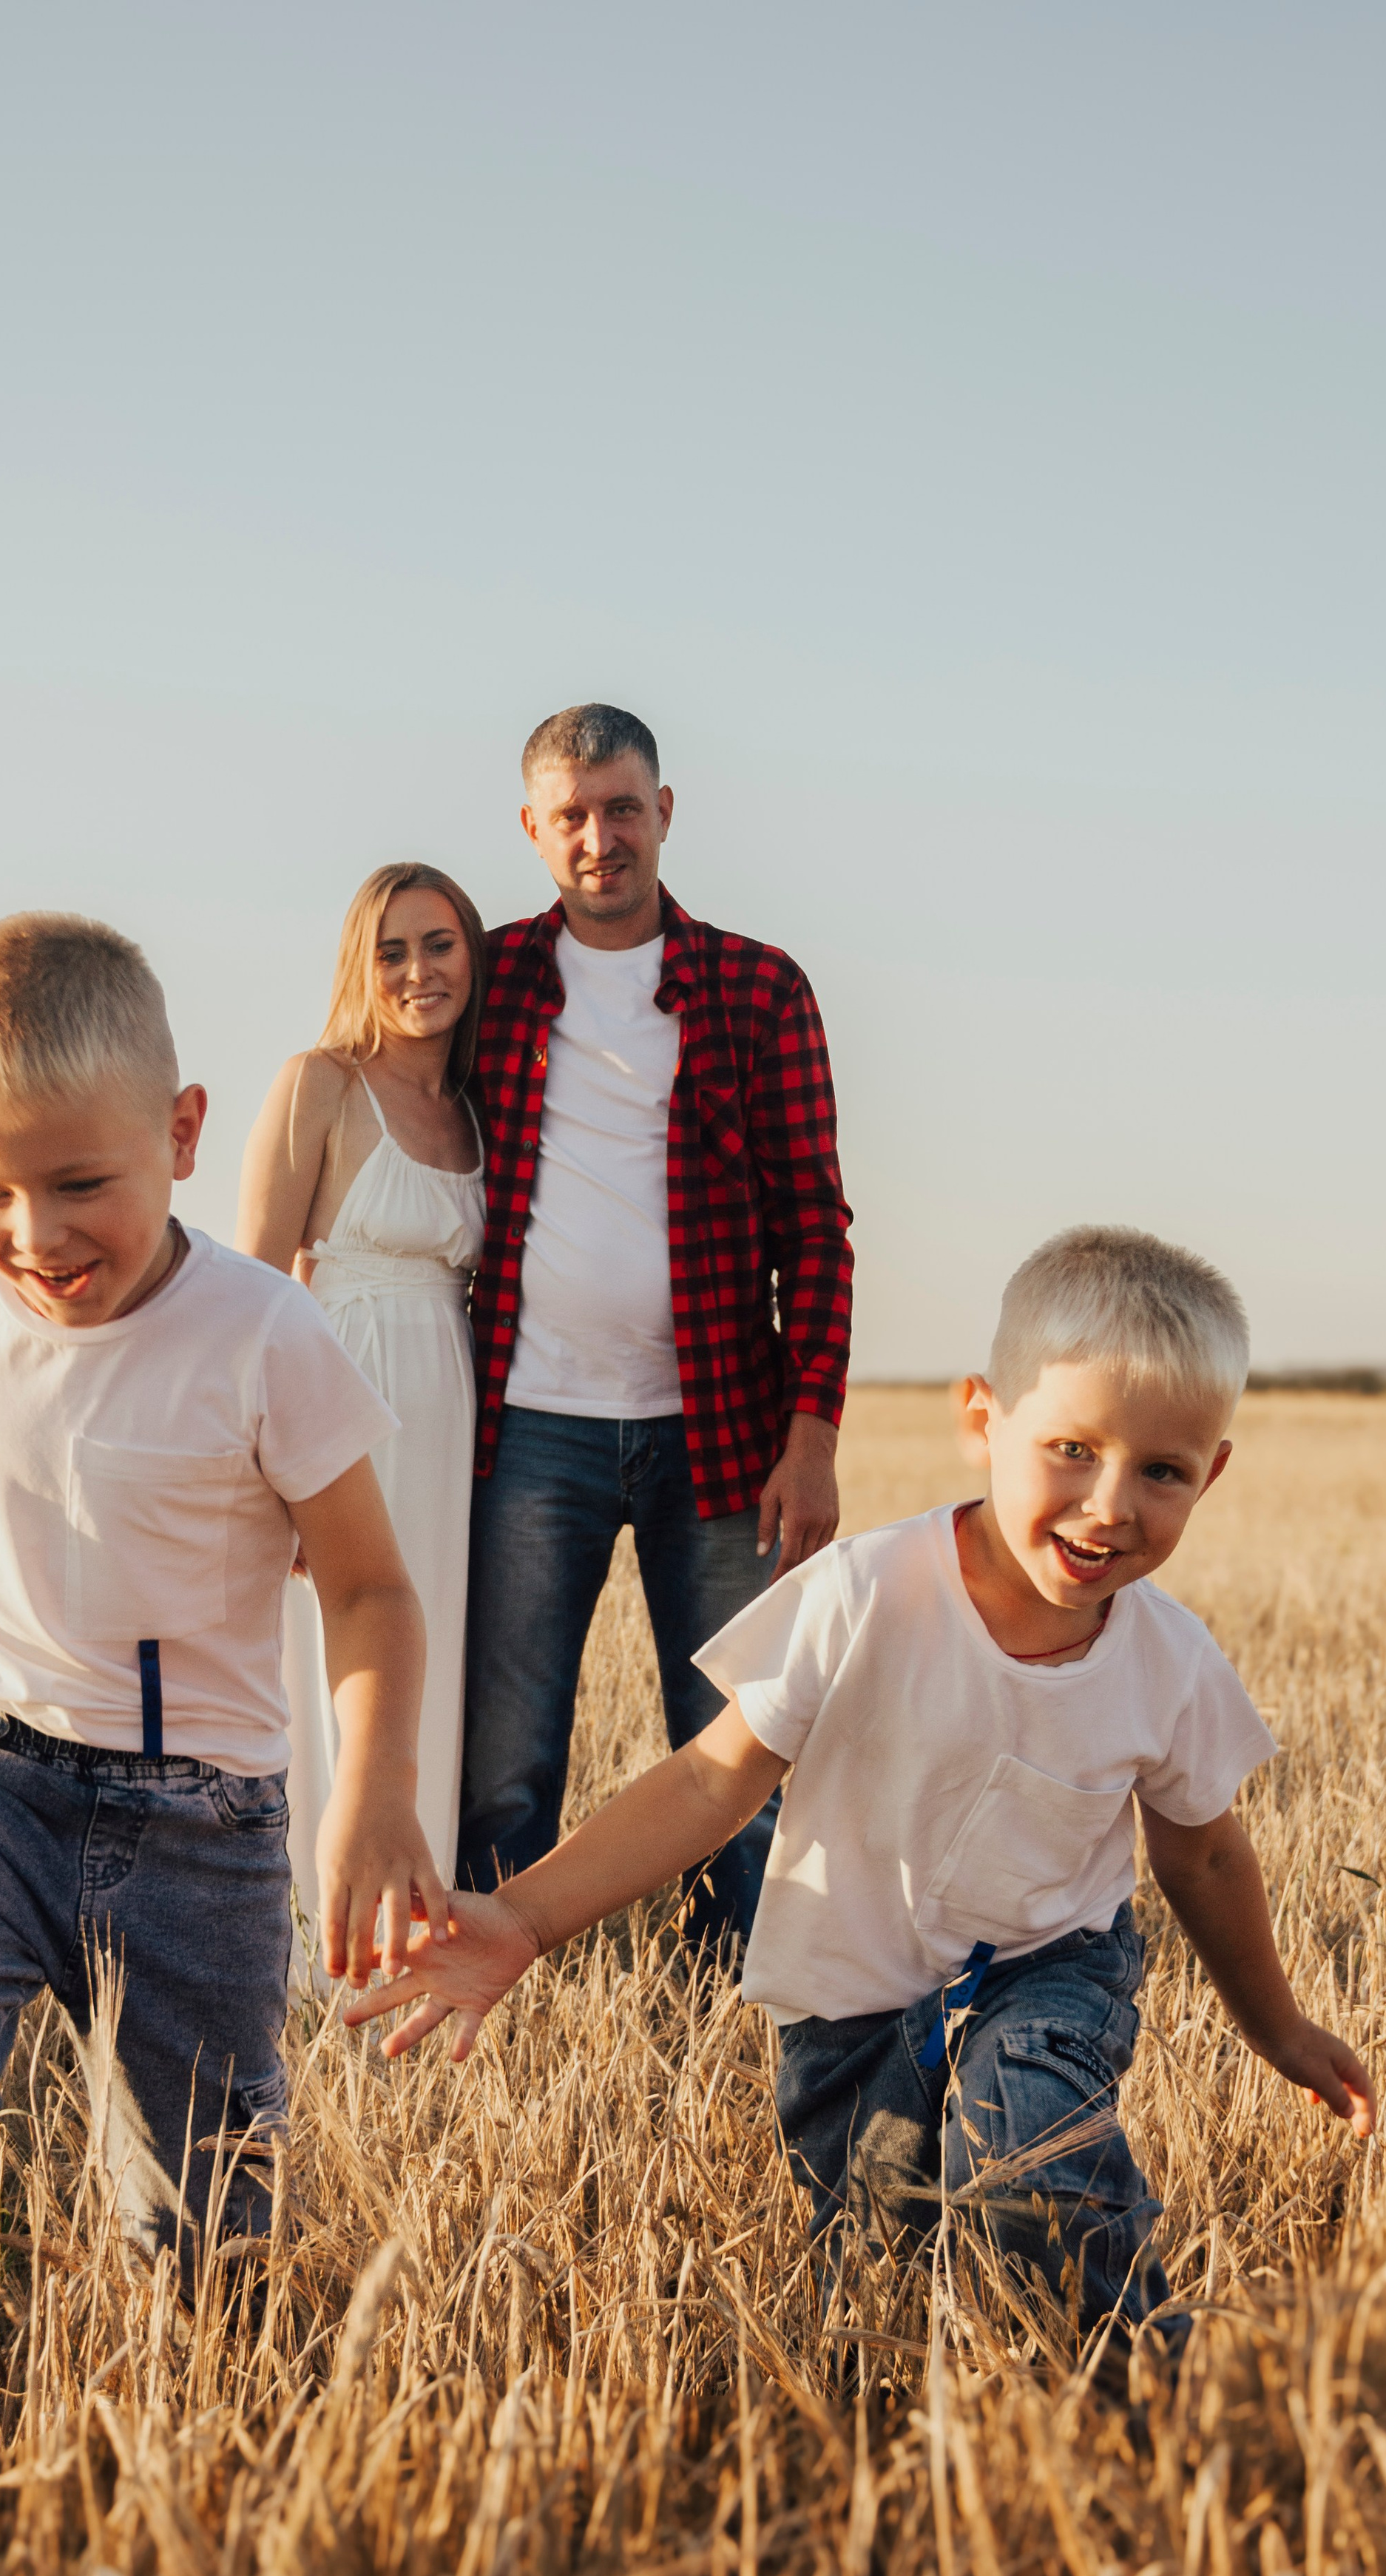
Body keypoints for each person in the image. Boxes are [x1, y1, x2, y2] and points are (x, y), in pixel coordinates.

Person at [348, 1226, 1377, 2367]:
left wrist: (1278, 2027)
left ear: (1211, 1474)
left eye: (1162, 1473)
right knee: (883, 2287)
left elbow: (1206, 1855)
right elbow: (711, 1780)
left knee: (1024, 2143)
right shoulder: (865, 1594)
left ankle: (1145, 2387)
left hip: (1052, 1971)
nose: (1109, 1505)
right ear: (983, 1420)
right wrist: (524, 1917)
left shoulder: (1169, 1664)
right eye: (1072, 1449)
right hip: (848, 2006)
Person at [0, 913, 442, 2433]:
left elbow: (367, 1586)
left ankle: (195, 2474)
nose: (34, 1233)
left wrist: (376, 1797)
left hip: (199, 1821)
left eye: (82, 1184)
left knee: (201, 2222)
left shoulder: (264, 1335)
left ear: (183, 1134)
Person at [459, 703, 854, 1956]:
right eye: (572, 816)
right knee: (505, 1753)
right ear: (533, 830)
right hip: (529, 1427)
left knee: (740, 1739)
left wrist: (813, 1436)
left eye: (623, 808)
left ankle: (742, 1981)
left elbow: (815, 1226)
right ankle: (503, 1974)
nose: (601, 838)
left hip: (721, 1433)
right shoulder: (486, 982)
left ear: (666, 813)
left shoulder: (758, 987)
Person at [237, 865, 487, 1992]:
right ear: (360, 965)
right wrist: (271, 1471)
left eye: (438, 944)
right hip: (342, 1395)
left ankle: (402, 1953)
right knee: (324, 1673)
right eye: (391, 951)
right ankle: (300, 1960)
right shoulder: (320, 1085)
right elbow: (251, 1291)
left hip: (447, 1413)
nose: (417, 971)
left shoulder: (476, 1109)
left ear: (471, 956)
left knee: (422, 1668)